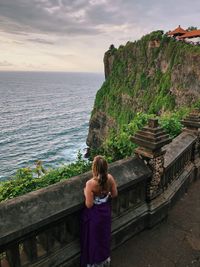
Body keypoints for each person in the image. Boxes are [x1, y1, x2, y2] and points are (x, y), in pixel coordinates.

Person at [80, 155, 118, 267]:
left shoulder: (90, 184)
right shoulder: (110, 178)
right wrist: (107, 195)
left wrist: (85, 192)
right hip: (105, 212)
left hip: (95, 215)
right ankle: (105, 260)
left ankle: (95, 262)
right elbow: (115, 194)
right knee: (104, 237)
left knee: (94, 240)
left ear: (94, 168)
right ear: (106, 167)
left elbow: (89, 205)